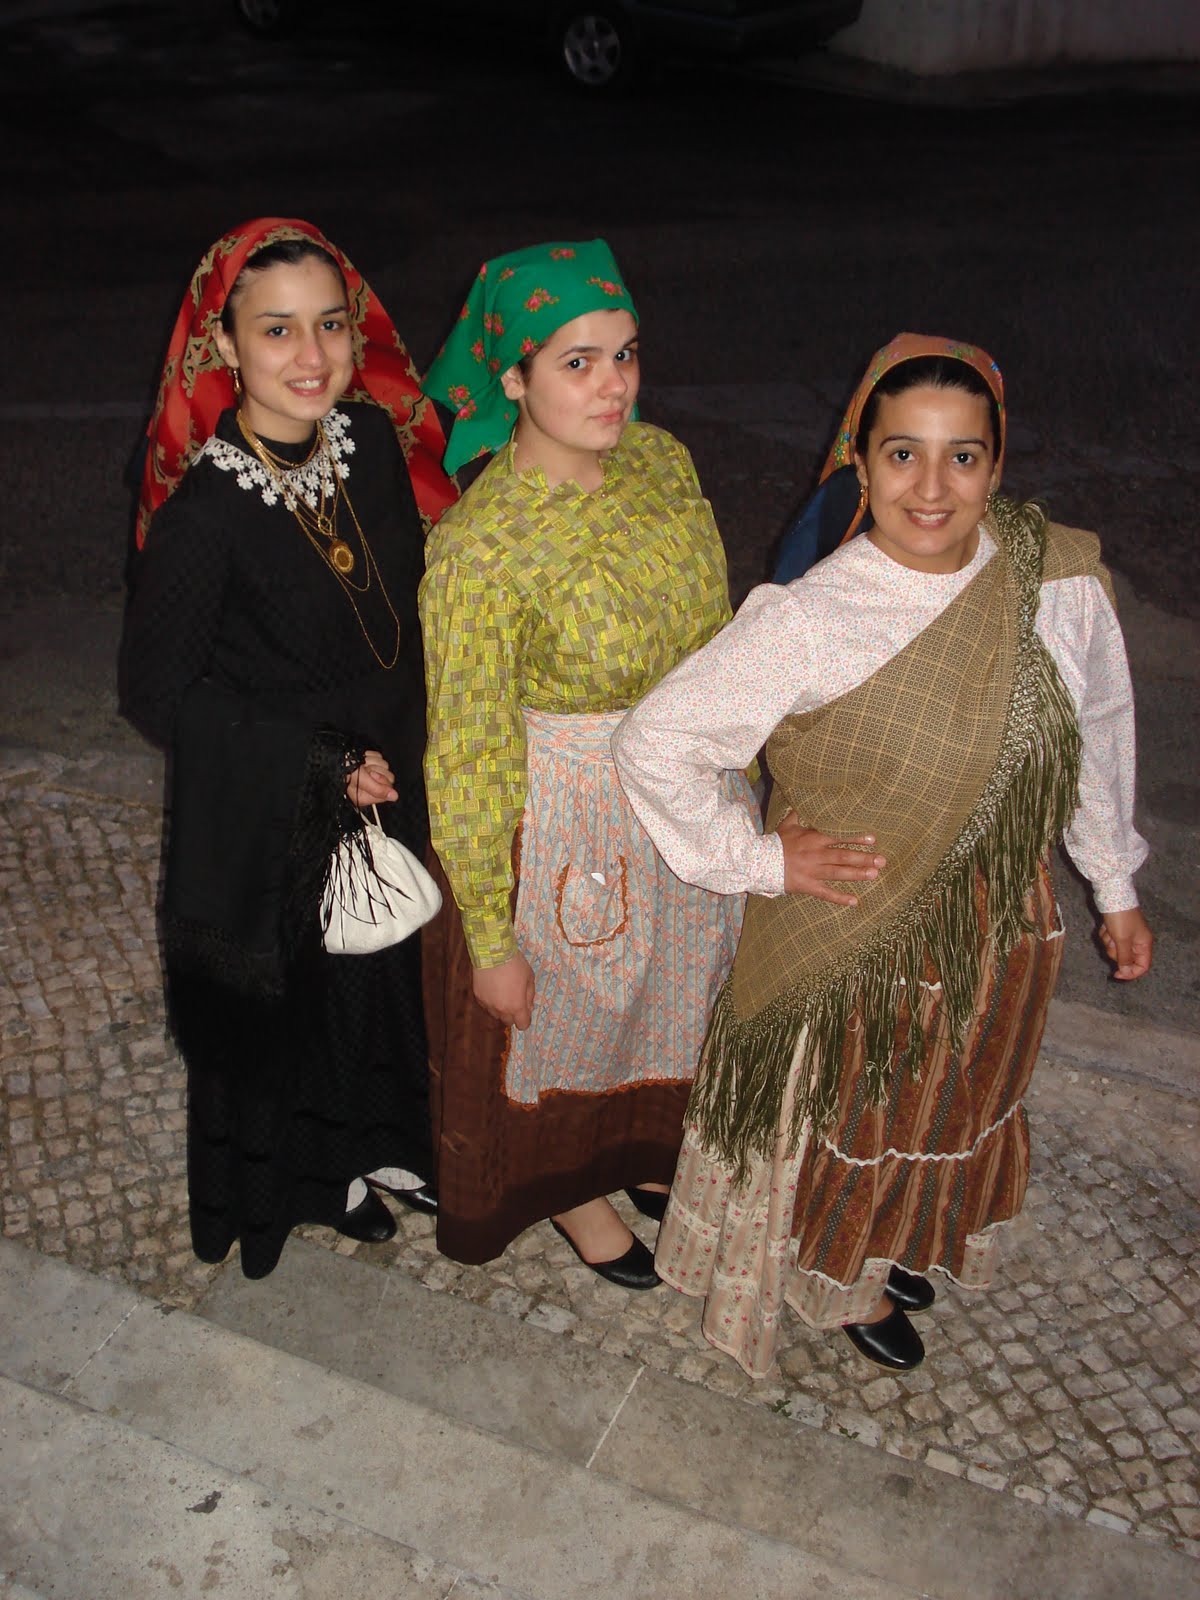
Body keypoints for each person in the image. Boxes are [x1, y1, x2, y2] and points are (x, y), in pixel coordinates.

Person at [612, 332, 1153, 1374]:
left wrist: (1116, 885)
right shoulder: (813, 618)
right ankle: (841, 1278)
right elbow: (657, 742)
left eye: (963, 456)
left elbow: (1098, 731)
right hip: (857, 940)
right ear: (860, 465)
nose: (933, 488)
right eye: (903, 454)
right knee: (860, 1113)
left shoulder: (1054, 578)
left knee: (951, 1094)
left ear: (997, 465)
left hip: (997, 921)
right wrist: (760, 860)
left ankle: (902, 1234)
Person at [119, 217, 458, 1279]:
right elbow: (156, 695)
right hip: (285, 799)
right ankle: (317, 1174)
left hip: (394, 770)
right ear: (224, 346)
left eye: (330, 325)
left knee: (386, 972)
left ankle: (388, 1141)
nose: (311, 356)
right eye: (276, 330)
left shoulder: (373, 448)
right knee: (306, 994)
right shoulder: (205, 517)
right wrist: (317, 761)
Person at [418, 239, 758, 1285]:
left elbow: (719, 635)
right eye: (577, 362)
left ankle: (643, 1150)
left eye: (626, 354)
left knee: (671, 998)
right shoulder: (479, 550)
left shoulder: (661, 461)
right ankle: (570, 1189)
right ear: (512, 379)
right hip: (573, 818)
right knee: (567, 1017)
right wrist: (489, 936)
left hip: (685, 798)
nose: (614, 385)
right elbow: (467, 751)